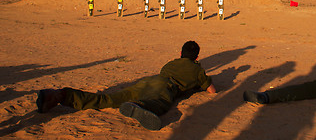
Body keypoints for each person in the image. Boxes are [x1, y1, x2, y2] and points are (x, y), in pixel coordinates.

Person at [36, 41, 217, 130]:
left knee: (108, 99)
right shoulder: (197, 70)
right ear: (197, 57)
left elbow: (163, 73)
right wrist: (201, 80)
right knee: (160, 103)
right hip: (166, 87)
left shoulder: (170, 63)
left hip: (147, 81)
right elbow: (212, 91)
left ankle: (60, 95)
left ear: (180, 53)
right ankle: (139, 107)